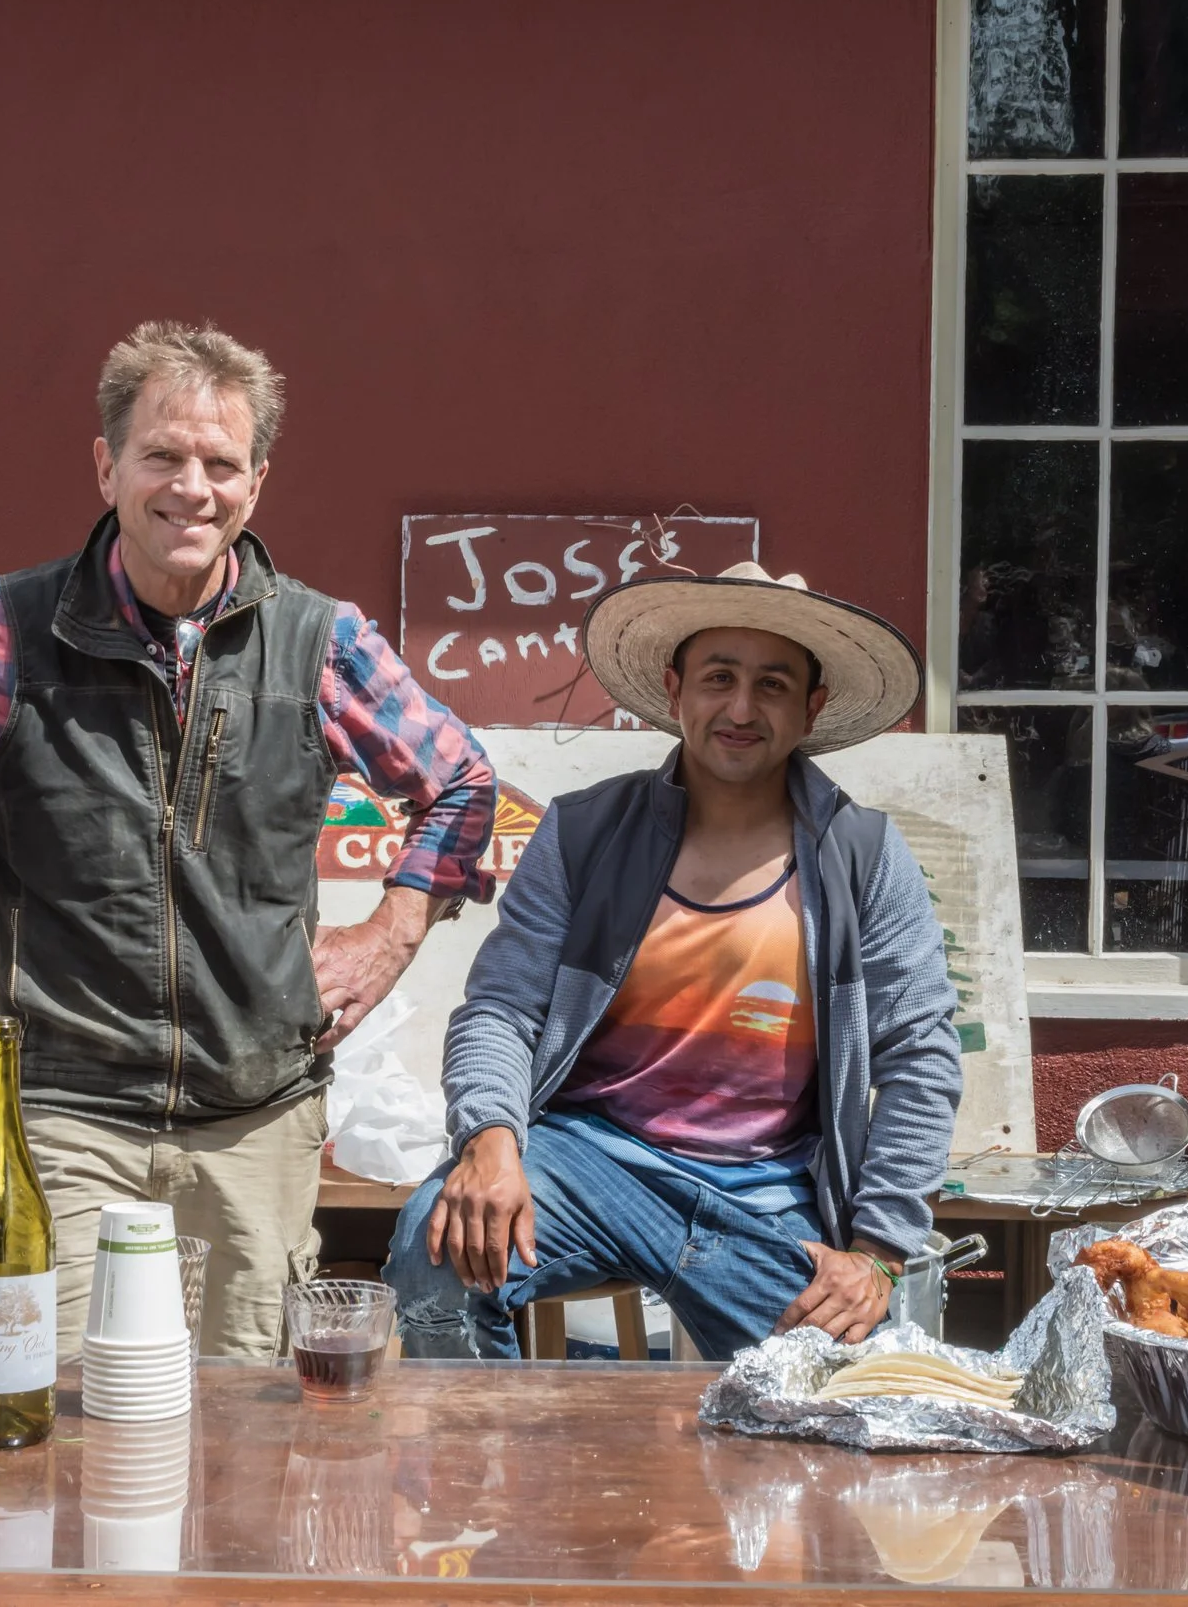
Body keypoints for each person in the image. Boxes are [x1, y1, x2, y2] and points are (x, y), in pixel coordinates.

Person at [0, 322, 498, 1357]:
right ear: (106, 464)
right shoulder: (0, 628)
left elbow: (464, 783)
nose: (191, 487)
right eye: (163, 454)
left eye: (221, 463)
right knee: (55, 1416)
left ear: (257, 481)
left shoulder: (319, 640)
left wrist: (386, 932)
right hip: (65, 1113)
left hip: (254, 1119)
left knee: (244, 1445)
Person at [383, 560, 961, 1358]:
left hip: (767, 1198)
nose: (740, 707)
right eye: (718, 676)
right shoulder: (585, 833)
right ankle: (482, 1477)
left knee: (849, 1392)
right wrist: (489, 1138)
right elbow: (501, 1009)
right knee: (434, 1248)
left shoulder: (862, 856)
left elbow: (920, 1057)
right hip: (589, 1166)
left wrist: (880, 1252)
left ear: (811, 707)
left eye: (773, 684)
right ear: (675, 689)